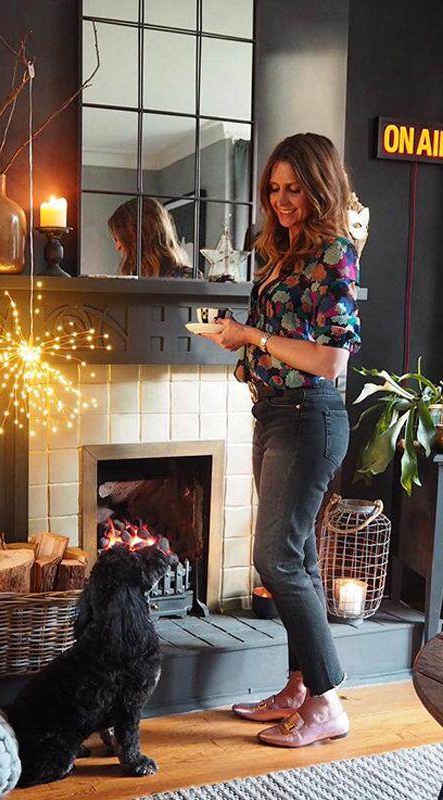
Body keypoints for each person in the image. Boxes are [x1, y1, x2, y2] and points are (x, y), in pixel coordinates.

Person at [200, 132, 361, 748]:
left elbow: (330, 360)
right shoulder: (284, 253)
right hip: (274, 415)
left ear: (321, 187)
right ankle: (299, 686)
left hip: (309, 417)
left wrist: (253, 338)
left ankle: (327, 703)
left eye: (295, 188)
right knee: (301, 559)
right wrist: (239, 338)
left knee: (276, 558)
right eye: (274, 188)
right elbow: (277, 339)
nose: (282, 199)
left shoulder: (334, 254)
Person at [108, 197, 191, 278]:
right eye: (116, 240)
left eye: (121, 239)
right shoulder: (136, 277)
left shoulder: (187, 278)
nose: (117, 247)